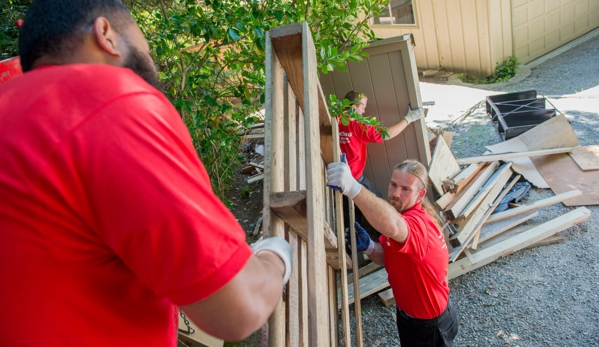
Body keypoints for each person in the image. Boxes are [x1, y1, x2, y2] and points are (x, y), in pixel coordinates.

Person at [0, 1, 291, 346]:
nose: (151, 63)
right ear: (106, 34)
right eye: (146, 47)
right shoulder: (109, 100)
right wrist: (275, 256)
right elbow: (239, 308)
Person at [327, 159, 459, 347]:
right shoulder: (403, 217)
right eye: (393, 184)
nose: (396, 193)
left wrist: (353, 187)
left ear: (420, 195)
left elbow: (395, 227)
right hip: (409, 317)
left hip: (430, 327)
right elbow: (388, 256)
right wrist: (371, 247)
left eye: (405, 189)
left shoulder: (418, 224)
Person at [337, 91, 424, 225]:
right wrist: (408, 119)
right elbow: (385, 135)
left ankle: (352, 237)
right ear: (354, 107)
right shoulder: (358, 125)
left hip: (338, 176)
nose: (364, 111)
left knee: (350, 214)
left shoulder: (335, 119)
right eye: (363, 107)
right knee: (378, 202)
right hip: (354, 178)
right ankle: (386, 231)